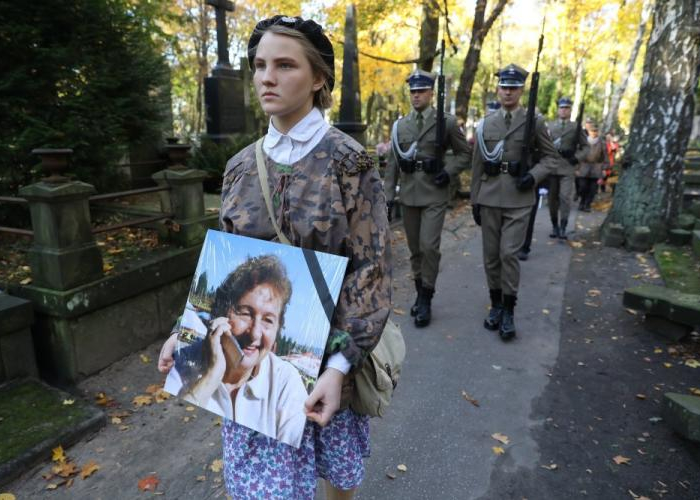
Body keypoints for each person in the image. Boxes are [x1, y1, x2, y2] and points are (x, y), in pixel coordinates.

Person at [160, 15, 390, 500]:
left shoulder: (352, 161)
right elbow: (227, 263)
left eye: (285, 65)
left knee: (337, 478)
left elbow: (371, 271)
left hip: (328, 362)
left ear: (319, 77)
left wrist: (339, 367)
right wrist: (187, 335)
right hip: (254, 360)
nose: (267, 76)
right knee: (264, 488)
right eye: (260, 64)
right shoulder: (240, 166)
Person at [162, 255, 308, 447]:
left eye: (268, 320)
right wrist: (211, 376)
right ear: (221, 315)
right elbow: (173, 436)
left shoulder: (285, 380)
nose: (255, 333)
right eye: (245, 313)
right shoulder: (187, 361)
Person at [470, 63, 559, 341]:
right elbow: (477, 165)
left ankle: (509, 310)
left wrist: (532, 177)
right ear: (497, 89)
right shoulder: (486, 123)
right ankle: (495, 305)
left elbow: (551, 158)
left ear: (521, 90)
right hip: (490, 195)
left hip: (519, 198)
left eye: (513, 88)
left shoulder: (535, 121)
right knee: (491, 257)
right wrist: (474, 199)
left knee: (509, 254)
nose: (508, 92)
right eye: (504, 87)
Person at [383, 69, 470, 328]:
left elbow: (464, 154)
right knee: (415, 249)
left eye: (421, 91)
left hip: (434, 192)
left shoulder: (447, 122)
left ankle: (426, 298)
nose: (416, 95)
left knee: (429, 246)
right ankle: (420, 288)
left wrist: (447, 171)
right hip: (409, 194)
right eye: (413, 91)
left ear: (432, 93)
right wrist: (388, 197)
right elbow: (392, 163)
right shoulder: (400, 125)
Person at [545, 97, 586, 239]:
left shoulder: (576, 127)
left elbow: (586, 147)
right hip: (551, 167)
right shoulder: (549, 126)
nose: (564, 110)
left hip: (567, 167)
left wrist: (577, 157)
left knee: (565, 198)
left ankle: (563, 226)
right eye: (562, 108)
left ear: (570, 110)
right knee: (551, 199)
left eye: (567, 108)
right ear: (558, 110)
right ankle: (554, 226)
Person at [575, 119, 608, 212]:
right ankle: (582, 201)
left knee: (593, 189)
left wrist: (604, 169)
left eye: (596, 131)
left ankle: (587, 204)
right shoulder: (583, 142)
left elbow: (605, 157)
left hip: (596, 169)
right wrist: (576, 168)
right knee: (582, 187)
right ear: (588, 131)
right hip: (583, 168)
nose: (594, 132)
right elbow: (578, 155)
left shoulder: (602, 143)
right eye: (592, 131)